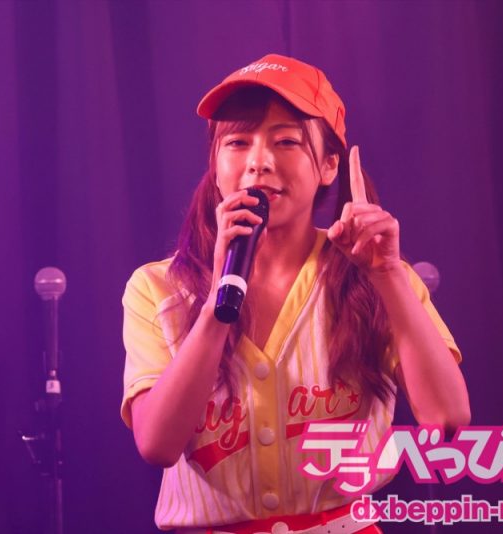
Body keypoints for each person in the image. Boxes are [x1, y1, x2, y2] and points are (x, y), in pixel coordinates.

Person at [121, 53, 470, 534]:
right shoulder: (159, 288)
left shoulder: (377, 277)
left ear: (328, 165)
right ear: (215, 166)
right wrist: (218, 302)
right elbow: (157, 444)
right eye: (237, 143)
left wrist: (388, 273)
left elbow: (447, 418)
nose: (258, 162)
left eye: (285, 141)